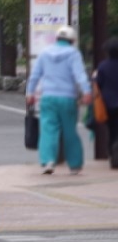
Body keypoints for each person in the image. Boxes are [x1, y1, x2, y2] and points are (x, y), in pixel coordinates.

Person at [26, 24, 91, 175]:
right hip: (67, 98)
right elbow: (79, 74)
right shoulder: (73, 53)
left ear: (57, 38)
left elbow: (35, 75)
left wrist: (30, 93)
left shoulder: (44, 53)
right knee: (69, 131)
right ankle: (74, 165)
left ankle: (48, 161)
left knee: (48, 130)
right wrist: (86, 91)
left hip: (48, 97)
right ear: (72, 40)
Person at [93, 37, 118, 166]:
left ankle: (113, 155)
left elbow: (98, 83)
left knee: (112, 130)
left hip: (108, 104)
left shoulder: (103, 66)